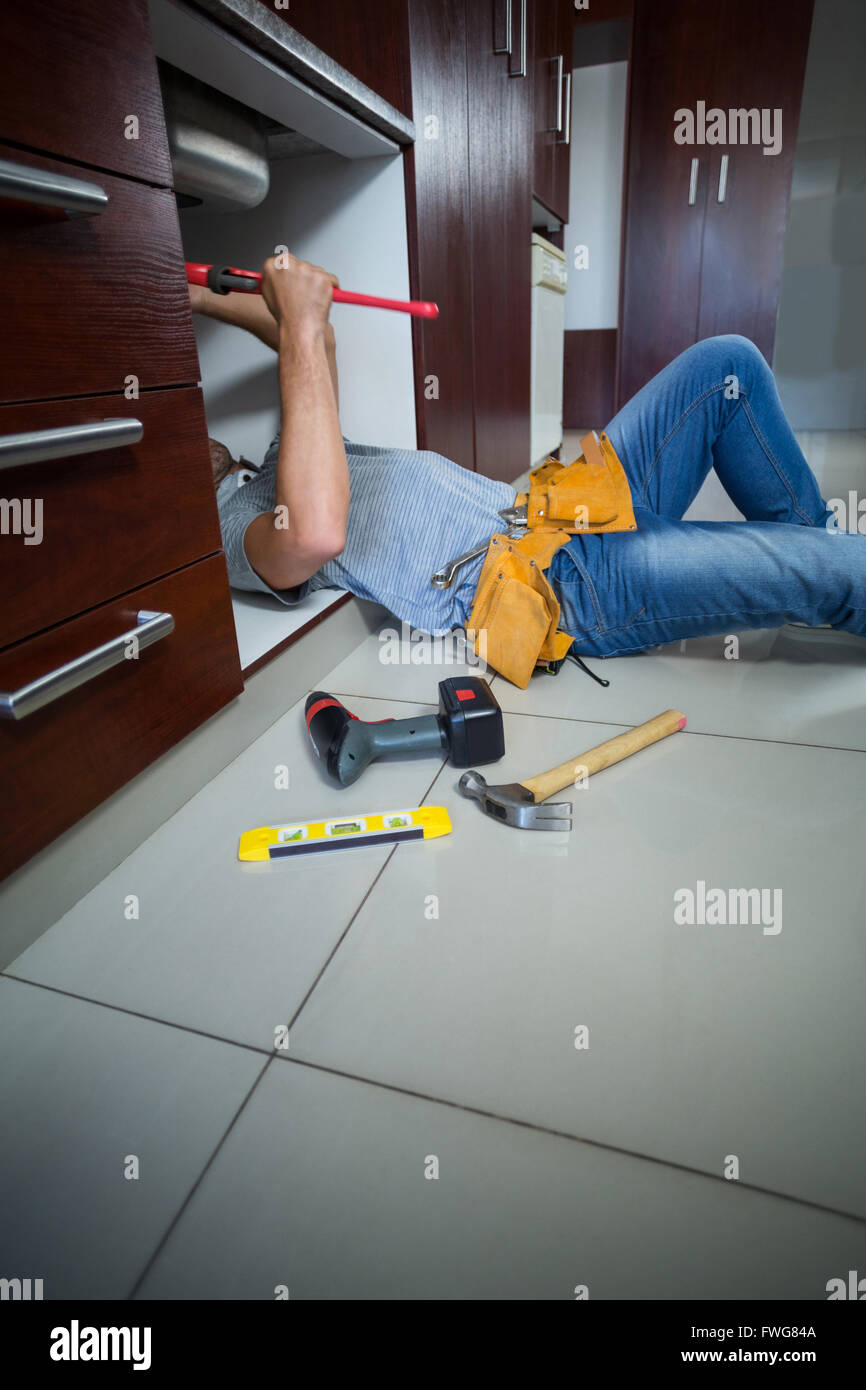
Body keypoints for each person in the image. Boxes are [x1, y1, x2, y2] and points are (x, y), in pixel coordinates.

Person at [193, 254, 866, 678]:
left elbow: (306, 339)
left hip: (571, 503)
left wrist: (189, 291)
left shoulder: (286, 463)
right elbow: (314, 536)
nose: (195, 427)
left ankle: (806, 550)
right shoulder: (234, 524)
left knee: (729, 365)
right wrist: (304, 325)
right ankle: (820, 571)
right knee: (836, 569)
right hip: (569, 584)